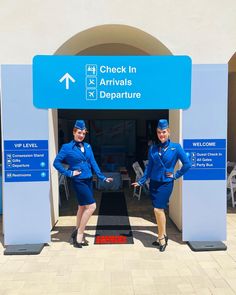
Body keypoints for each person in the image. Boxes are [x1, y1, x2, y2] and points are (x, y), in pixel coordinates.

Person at [132, 119, 191, 252]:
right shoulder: (153, 148)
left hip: (165, 184)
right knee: (158, 210)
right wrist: (141, 181)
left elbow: (187, 164)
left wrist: (176, 175)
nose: (161, 135)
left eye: (164, 132)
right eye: (159, 132)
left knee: (158, 209)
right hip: (154, 183)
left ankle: (161, 238)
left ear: (168, 132)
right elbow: (149, 167)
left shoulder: (176, 148)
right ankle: (162, 235)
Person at [53, 120, 113, 248]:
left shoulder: (88, 146)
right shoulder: (67, 147)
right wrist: (69, 173)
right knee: (91, 207)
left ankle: (76, 231)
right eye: (79, 132)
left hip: (88, 179)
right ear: (74, 132)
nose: (81, 135)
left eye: (83, 133)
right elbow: (56, 163)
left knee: (82, 207)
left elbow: (93, 163)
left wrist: (102, 177)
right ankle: (80, 233)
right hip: (78, 180)